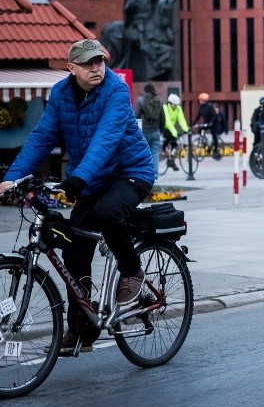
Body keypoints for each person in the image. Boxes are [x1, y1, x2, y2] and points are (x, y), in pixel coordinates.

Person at [0, 39, 155, 355]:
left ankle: (132, 270)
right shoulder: (60, 93)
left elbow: (106, 139)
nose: (96, 67)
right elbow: (42, 138)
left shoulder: (115, 90)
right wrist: (11, 179)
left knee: (108, 213)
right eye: (88, 63)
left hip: (131, 172)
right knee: (74, 251)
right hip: (93, 177)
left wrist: (77, 180)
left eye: (99, 61)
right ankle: (81, 331)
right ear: (71, 68)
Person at [134, 82, 163, 180]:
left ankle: (145, 174)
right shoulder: (158, 100)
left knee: (144, 153)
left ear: (145, 90)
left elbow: (136, 116)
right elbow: (163, 118)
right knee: (155, 153)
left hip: (145, 131)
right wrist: (161, 131)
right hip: (156, 131)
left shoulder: (141, 100)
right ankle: (155, 175)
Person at [163, 93, 189, 171]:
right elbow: (167, 121)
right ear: (170, 103)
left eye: (177, 104)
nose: (176, 106)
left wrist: (186, 129)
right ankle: (163, 150)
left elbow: (181, 119)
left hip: (172, 128)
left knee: (175, 144)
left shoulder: (178, 108)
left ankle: (171, 160)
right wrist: (174, 131)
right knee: (170, 138)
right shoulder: (165, 107)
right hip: (164, 127)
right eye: (174, 104)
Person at [192, 92, 219, 157]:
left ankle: (216, 150)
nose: (199, 101)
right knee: (200, 129)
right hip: (206, 121)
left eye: (200, 100)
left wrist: (211, 122)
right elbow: (198, 116)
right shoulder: (201, 107)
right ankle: (205, 142)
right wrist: (193, 124)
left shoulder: (210, 106)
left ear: (204, 100)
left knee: (214, 136)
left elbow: (214, 116)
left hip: (213, 122)